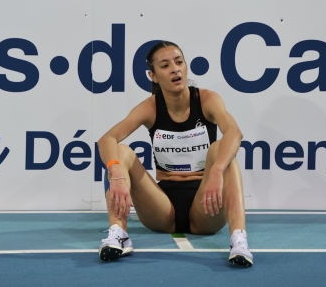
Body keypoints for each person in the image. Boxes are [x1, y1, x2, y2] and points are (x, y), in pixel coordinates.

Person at [97, 41, 253, 266]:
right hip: (163, 210)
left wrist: (217, 170)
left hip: (205, 205)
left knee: (222, 148)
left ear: (186, 67)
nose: (175, 69)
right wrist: (117, 173)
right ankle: (118, 234)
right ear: (153, 75)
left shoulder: (207, 99)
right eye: (165, 65)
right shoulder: (150, 107)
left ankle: (239, 240)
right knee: (120, 152)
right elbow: (107, 139)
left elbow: (234, 133)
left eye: (179, 62)